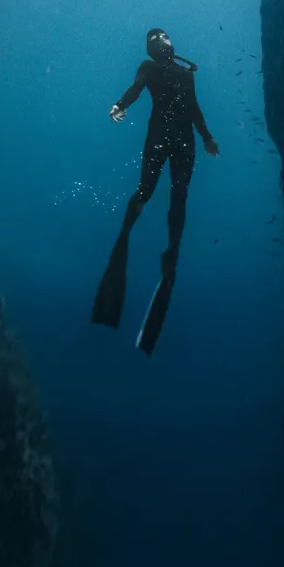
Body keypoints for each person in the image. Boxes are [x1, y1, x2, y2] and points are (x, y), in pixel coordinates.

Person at [91, 28, 219, 355]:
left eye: (163, 36)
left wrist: (206, 136)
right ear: (151, 48)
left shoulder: (185, 74)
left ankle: (171, 254)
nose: (162, 40)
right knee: (146, 192)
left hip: (182, 142)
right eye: (155, 38)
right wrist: (119, 105)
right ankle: (125, 235)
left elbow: (194, 109)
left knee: (179, 196)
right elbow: (135, 90)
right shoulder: (148, 69)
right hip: (161, 139)